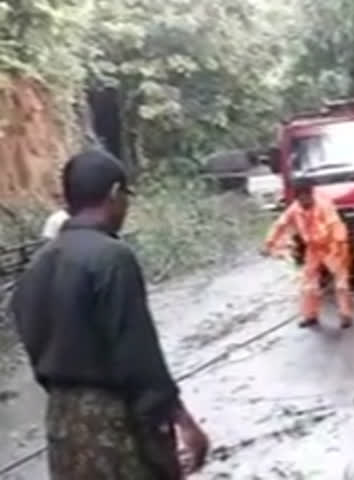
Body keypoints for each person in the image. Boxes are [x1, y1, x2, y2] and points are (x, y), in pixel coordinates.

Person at [10, 150, 209, 479]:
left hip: (62, 425)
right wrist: (181, 423)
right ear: (115, 194)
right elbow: (138, 356)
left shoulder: (38, 266)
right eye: (126, 197)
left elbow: (33, 341)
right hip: (115, 424)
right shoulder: (112, 257)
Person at [262, 178, 354, 329]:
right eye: (301, 197)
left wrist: (339, 246)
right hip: (313, 249)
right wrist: (269, 244)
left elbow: (336, 225)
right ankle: (310, 315)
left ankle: (345, 315)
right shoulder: (294, 209)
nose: (305, 200)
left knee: (341, 284)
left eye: (307, 196)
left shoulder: (324, 206)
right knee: (308, 285)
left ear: (311, 194)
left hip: (332, 246)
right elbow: (280, 225)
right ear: (297, 197)